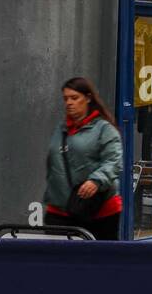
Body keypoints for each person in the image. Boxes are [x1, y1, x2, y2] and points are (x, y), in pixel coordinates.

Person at [45, 77, 123, 240]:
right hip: (60, 210)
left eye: (74, 98)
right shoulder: (61, 130)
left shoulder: (104, 129)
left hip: (98, 210)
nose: (69, 103)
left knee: (96, 262)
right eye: (66, 99)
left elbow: (114, 161)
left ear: (88, 98)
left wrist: (96, 181)